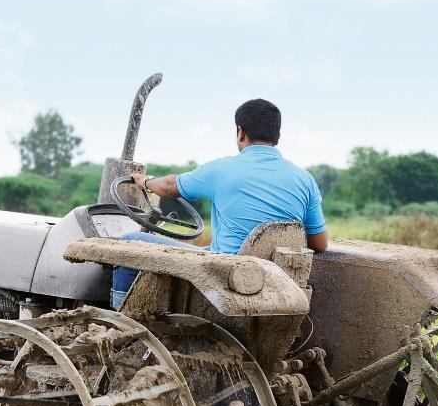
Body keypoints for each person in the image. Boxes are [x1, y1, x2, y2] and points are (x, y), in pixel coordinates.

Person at [111, 98, 329, 308]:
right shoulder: (305, 179)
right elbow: (319, 244)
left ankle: (121, 325)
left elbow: (169, 186)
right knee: (205, 248)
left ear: (240, 132)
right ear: (278, 136)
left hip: (226, 273)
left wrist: (145, 181)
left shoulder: (221, 170)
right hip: (276, 279)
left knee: (131, 241)